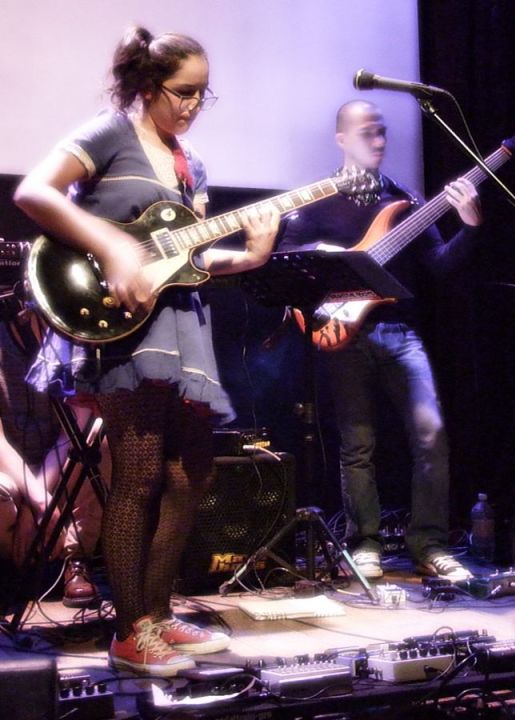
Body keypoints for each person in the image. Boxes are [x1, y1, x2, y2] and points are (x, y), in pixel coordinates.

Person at [14, 26, 279, 676]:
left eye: (202, 95)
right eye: (183, 92)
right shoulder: (110, 133)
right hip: (124, 327)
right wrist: (110, 245)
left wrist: (249, 257)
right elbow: (34, 192)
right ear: (147, 86)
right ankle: (129, 630)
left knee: (193, 474)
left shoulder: (192, 166)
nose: (193, 106)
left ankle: (156, 615)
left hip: (180, 327)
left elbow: (189, 262)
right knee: (138, 473)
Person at [277, 100, 482, 582]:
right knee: (357, 444)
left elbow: (440, 265)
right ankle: (363, 544)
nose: (379, 141)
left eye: (383, 132)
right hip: (342, 331)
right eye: (368, 132)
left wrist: (471, 227)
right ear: (342, 139)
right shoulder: (318, 200)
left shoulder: (405, 199)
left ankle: (430, 543)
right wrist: (327, 258)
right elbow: (287, 260)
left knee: (431, 434)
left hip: (400, 330)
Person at [0, 310, 109, 608]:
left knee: (102, 443)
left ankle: (75, 562)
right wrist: (37, 502)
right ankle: (11, 571)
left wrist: (39, 506)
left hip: (59, 471)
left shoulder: (77, 335)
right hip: (9, 473)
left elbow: (75, 431)